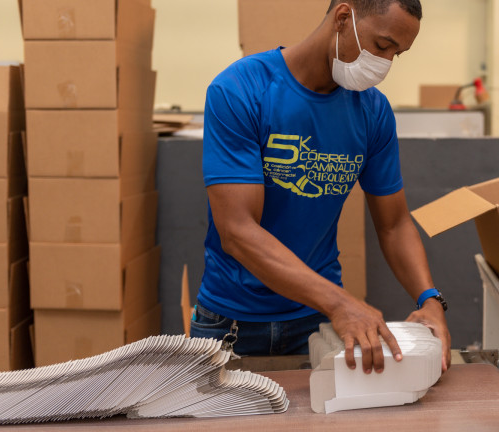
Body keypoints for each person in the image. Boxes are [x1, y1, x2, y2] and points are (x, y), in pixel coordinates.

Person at [193, 0, 451, 374]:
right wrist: (341, 303)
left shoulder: (372, 111)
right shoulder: (241, 90)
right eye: (382, 46)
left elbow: (394, 225)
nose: (385, 64)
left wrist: (430, 299)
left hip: (316, 320)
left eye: (397, 54)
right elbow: (237, 231)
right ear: (343, 18)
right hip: (233, 322)